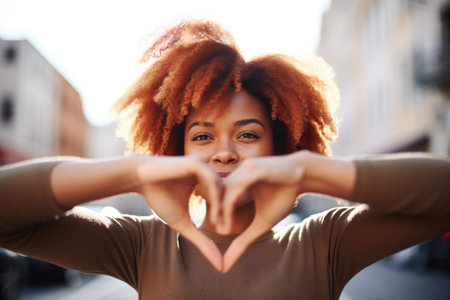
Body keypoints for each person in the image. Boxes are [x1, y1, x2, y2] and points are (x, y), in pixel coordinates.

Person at [0, 20, 449, 299]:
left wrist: (308, 171)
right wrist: (134, 172)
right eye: (202, 135)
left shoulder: (323, 244)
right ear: (177, 150)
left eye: (248, 134)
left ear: (281, 146)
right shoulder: (142, 245)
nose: (224, 151)